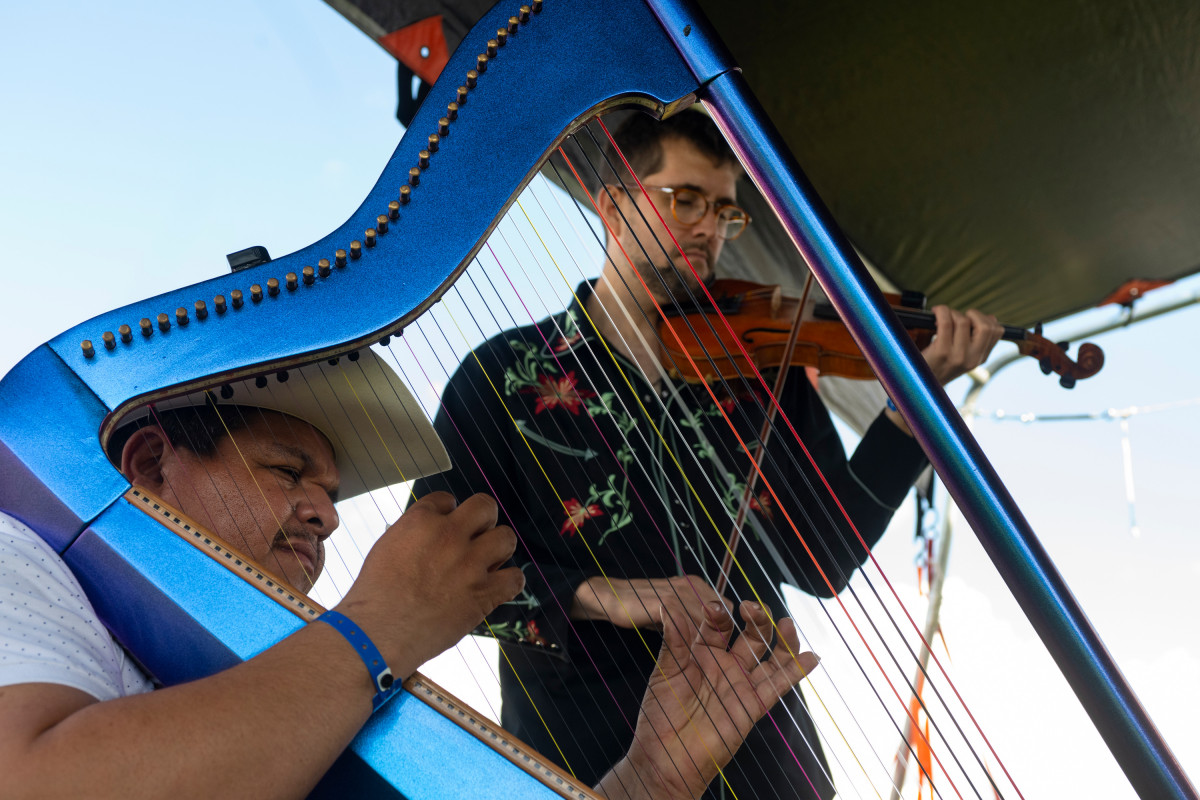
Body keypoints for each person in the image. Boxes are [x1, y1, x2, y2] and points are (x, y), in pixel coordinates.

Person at [412, 111, 1004, 798]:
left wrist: (907, 416)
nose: (709, 228)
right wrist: (614, 596)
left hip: (775, 769)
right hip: (591, 762)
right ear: (612, 206)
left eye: (725, 211)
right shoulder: (502, 376)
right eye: (684, 200)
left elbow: (828, 558)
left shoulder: (764, 369)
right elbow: (434, 578)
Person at [0, 350, 817, 800]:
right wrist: (374, 628)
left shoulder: (316, 683)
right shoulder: (23, 555)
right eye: (289, 474)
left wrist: (655, 774)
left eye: (331, 494)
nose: (326, 515)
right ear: (149, 462)